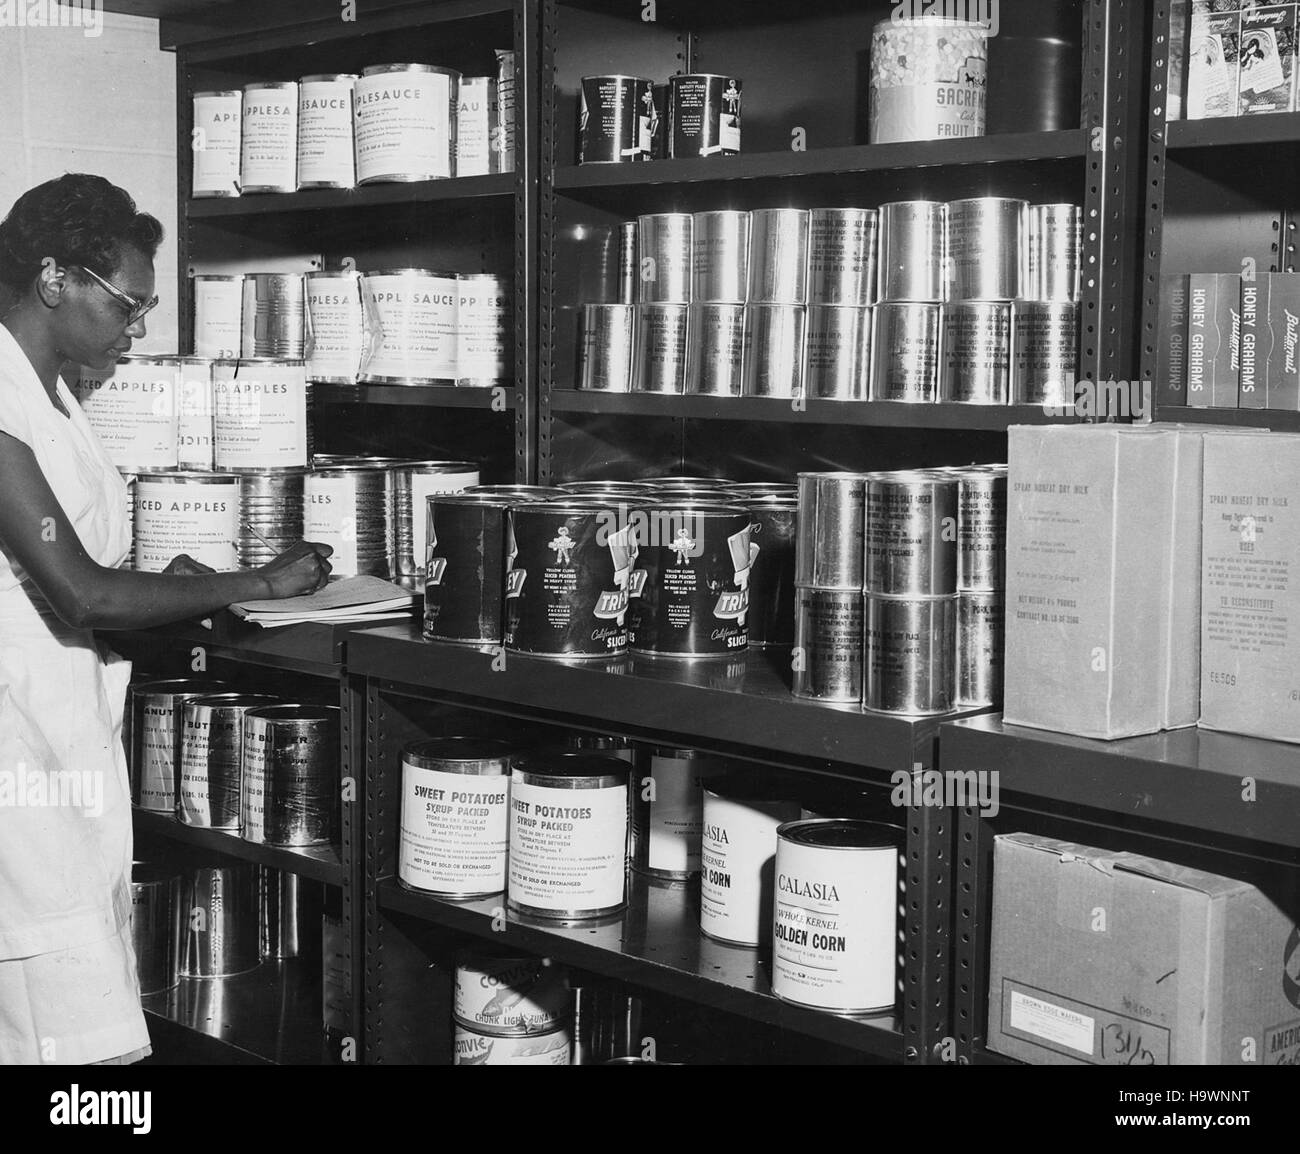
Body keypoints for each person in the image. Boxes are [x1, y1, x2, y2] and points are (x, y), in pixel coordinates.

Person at [0, 174, 333, 1065]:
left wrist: (182, 584)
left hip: (61, 740)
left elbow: (86, 577)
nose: (137, 328)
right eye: (128, 304)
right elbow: (81, 593)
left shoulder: (55, 397)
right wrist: (246, 583)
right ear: (53, 278)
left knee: (71, 1022)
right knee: (73, 1040)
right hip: (13, 755)